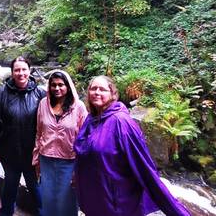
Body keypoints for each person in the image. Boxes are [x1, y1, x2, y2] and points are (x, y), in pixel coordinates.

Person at [74, 76, 191, 216]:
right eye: (93, 88)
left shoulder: (121, 123)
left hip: (116, 204)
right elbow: (84, 152)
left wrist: (177, 211)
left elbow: (144, 167)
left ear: (113, 94)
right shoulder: (91, 118)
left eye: (102, 89)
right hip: (95, 199)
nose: (97, 92)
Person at [0, 56, 45, 216]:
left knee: (37, 190)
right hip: (9, 152)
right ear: (12, 72)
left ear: (29, 71)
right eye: (17, 70)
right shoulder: (1, 93)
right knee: (9, 188)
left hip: (32, 154)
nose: (21, 73)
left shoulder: (40, 94)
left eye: (24, 69)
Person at [32, 70, 88, 216]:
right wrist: (36, 158)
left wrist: (81, 164)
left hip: (69, 160)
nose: (57, 88)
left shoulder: (79, 107)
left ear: (68, 86)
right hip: (46, 159)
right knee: (47, 198)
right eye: (53, 85)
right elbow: (39, 131)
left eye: (61, 85)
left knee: (68, 199)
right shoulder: (44, 103)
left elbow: (85, 137)